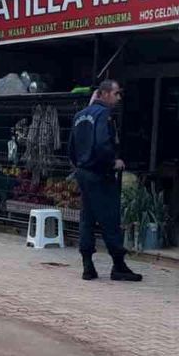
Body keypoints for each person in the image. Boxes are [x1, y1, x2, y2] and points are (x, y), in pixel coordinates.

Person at [67, 80, 141, 283]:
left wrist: (81, 165)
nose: (119, 98)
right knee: (110, 219)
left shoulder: (80, 115)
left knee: (87, 219)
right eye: (116, 94)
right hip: (100, 173)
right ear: (104, 94)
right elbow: (102, 143)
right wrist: (112, 161)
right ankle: (119, 265)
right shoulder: (103, 114)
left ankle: (88, 266)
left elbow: (71, 148)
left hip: (83, 172)